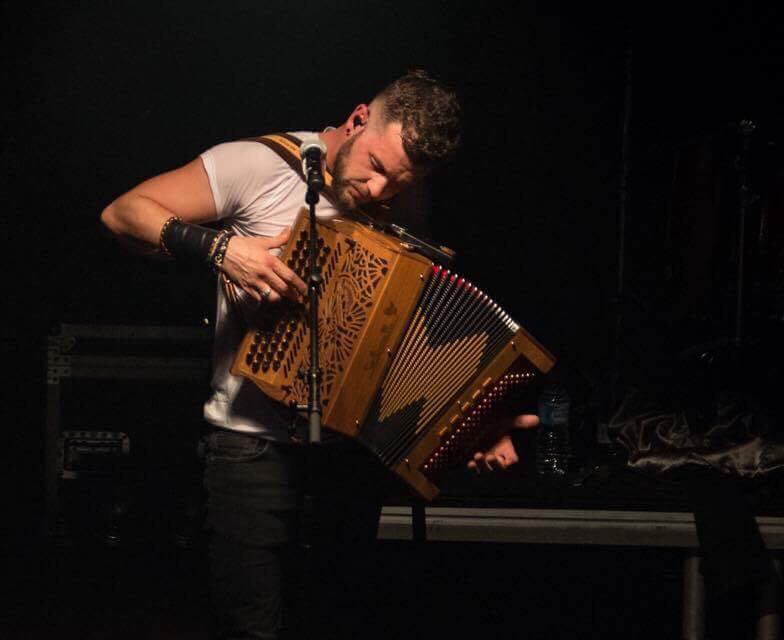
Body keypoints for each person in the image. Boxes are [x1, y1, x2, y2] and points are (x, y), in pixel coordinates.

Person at [101, 70, 538, 638]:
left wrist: (473, 424)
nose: (379, 191)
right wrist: (220, 248)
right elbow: (123, 212)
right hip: (250, 448)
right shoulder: (258, 166)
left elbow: (402, 339)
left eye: (398, 184)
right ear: (358, 120)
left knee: (338, 620)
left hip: (348, 458)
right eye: (377, 167)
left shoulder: (400, 205)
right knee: (251, 626)